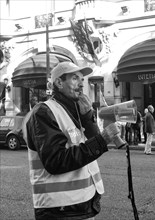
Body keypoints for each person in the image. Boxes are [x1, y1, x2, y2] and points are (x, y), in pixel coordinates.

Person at [23, 61, 121, 220]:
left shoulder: (74, 109)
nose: (81, 84)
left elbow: (91, 139)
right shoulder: (43, 112)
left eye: (82, 80)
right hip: (59, 209)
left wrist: (88, 117)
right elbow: (56, 161)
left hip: (82, 204)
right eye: (75, 78)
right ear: (59, 83)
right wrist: (102, 140)